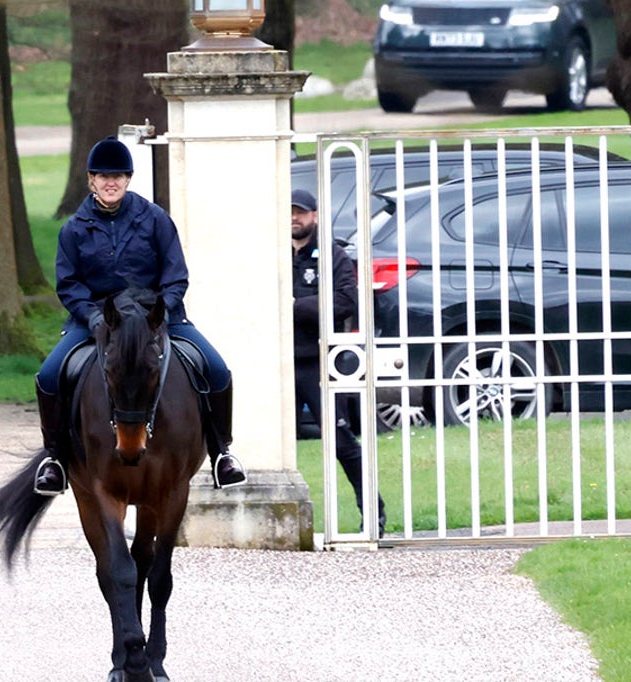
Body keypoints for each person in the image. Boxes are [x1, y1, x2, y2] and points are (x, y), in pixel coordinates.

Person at [31, 136, 246, 496]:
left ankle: (222, 453)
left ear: (128, 179)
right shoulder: (74, 228)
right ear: (91, 180)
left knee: (217, 369)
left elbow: (176, 275)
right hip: (98, 321)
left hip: (158, 319)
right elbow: (68, 285)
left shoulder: (155, 219)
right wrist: (93, 317)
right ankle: (54, 459)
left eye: (117, 175)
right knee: (49, 375)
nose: (110, 182)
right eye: (102, 176)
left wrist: (159, 312)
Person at [291, 187, 385, 535]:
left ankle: (373, 515)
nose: (294, 218)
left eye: (300, 212)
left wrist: (296, 306)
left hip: (319, 362)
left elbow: (346, 301)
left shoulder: (332, 256)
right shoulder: (274, 253)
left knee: (342, 444)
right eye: (289, 211)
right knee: (264, 446)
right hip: (281, 366)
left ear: (314, 216)